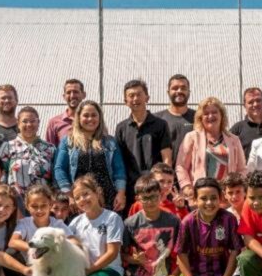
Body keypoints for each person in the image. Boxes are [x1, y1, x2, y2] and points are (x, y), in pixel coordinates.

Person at [5, 184, 75, 276]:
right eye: (34, 206)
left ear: (50, 204)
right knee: (10, 255)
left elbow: (74, 242)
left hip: (54, 272)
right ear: (27, 206)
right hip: (32, 273)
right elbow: (13, 242)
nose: (39, 210)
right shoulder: (24, 223)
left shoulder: (58, 224)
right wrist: (35, 250)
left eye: (43, 205)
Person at [175, 177, 242, 276]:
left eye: (213, 198)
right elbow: (181, 254)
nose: (209, 203)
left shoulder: (228, 219)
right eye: (203, 198)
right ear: (194, 199)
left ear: (220, 198)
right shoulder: (187, 222)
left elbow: (235, 252)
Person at [121, 175, 182, 276]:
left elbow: (182, 254)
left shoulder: (173, 221)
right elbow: (122, 255)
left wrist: (174, 275)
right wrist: (133, 260)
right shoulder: (130, 223)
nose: (150, 202)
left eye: (154, 197)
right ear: (137, 198)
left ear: (160, 195)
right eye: (145, 198)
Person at [69, 175, 125, 276]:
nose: (83, 199)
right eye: (78, 197)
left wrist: (88, 271)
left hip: (109, 270)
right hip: (85, 273)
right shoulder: (75, 223)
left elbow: (112, 253)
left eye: (86, 193)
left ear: (97, 192)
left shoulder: (112, 218)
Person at [54, 100, 127, 212]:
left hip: (108, 198)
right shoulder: (68, 141)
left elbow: (119, 170)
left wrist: (121, 193)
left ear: (99, 118)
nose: (90, 119)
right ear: (78, 118)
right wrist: (69, 195)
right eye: (86, 115)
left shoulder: (109, 142)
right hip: (79, 199)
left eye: (94, 115)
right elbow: (59, 169)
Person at [114, 79, 173, 214]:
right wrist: (121, 190)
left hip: (154, 187)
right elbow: (119, 162)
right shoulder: (121, 128)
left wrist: (163, 184)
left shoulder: (161, 125)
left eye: (139, 94)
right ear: (125, 101)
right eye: (131, 96)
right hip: (131, 189)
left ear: (147, 97)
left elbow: (167, 159)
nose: (135, 99)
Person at [176, 97, 247, 203]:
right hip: (200, 197)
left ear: (221, 115)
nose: (210, 116)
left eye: (214, 112)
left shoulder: (234, 140)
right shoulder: (192, 137)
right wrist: (187, 187)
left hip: (226, 199)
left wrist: (235, 190)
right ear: (200, 117)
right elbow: (181, 166)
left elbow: (242, 169)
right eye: (206, 113)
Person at [0, 106, 56, 202]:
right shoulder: (7, 147)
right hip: (16, 203)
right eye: (24, 121)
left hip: (42, 204)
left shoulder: (50, 149)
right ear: (18, 124)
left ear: (38, 123)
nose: (29, 124)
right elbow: (0, 176)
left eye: (33, 121)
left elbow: (55, 179)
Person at [157, 74, 196, 152]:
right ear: (168, 92)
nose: (179, 91)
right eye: (175, 88)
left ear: (189, 92)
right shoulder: (157, 119)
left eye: (183, 88)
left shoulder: (199, 117)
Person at [44, 78, 86, 147]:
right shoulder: (54, 122)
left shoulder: (92, 121)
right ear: (64, 96)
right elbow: (50, 151)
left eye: (76, 92)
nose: (72, 96)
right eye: (68, 92)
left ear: (84, 95)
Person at [230, 87, 262, 158]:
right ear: (244, 105)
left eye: (258, 100)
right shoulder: (237, 129)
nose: (255, 104)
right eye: (250, 102)